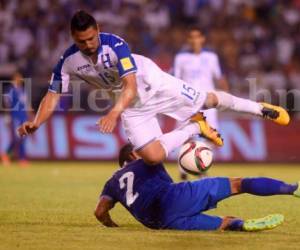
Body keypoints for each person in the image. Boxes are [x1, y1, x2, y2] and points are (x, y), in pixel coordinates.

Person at [17, 10, 290, 166]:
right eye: (81, 41)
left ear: (97, 30)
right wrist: (38, 121)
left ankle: (260, 108)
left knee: (209, 99)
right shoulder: (68, 60)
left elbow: (131, 85)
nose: (87, 45)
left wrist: (113, 114)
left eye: (90, 38)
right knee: (152, 157)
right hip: (132, 107)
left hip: (154, 85)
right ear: (72, 38)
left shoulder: (115, 45)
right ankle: (195, 127)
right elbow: (53, 94)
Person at [94, 143, 299, 231]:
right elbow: (160, 148)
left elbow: (100, 212)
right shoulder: (146, 159)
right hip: (173, 197)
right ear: (133, 155)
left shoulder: (112, 183)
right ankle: (292, 189)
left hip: (161, 223)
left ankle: (241, 224)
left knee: (223, 224)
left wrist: (114, 227)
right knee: (238, 184)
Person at [174, 26, 229, 180]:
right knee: (185, 135)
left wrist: (225, 98)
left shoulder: (211, 57)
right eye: (191, 37)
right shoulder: (181, 58)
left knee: (211, 135)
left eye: (197, 36)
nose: (194, 40)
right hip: (187, 102)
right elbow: (176, 79)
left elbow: (220, 77)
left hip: (208, 102)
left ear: (202, 39)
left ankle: (201, 166)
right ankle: (183, 169)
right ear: (188, 40)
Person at [1, 71, 30, 167]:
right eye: (18, 78)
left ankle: (6, 155)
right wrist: (7, 116)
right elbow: (7, 105)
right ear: (14, 79)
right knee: (18, 138)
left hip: (23, 117)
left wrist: (30, 115)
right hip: (15, 117)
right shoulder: (10, 90)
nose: (20, 80)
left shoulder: (22, 90)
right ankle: (21, 158)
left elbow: (26, 105)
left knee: (22, 138)